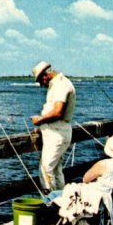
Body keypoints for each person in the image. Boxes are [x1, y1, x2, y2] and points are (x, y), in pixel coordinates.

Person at [30, 61, 76, 193]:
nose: (41, 85)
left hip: (57, 134)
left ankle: (50, 202)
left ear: (45, 75)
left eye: (40, 81)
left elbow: (57, 112)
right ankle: (62, 201)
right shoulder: (59, 83)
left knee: (46, 169)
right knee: (56, 170)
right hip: (58, 132)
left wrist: (40, 120)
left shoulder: (60, 85)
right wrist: (42, 126)